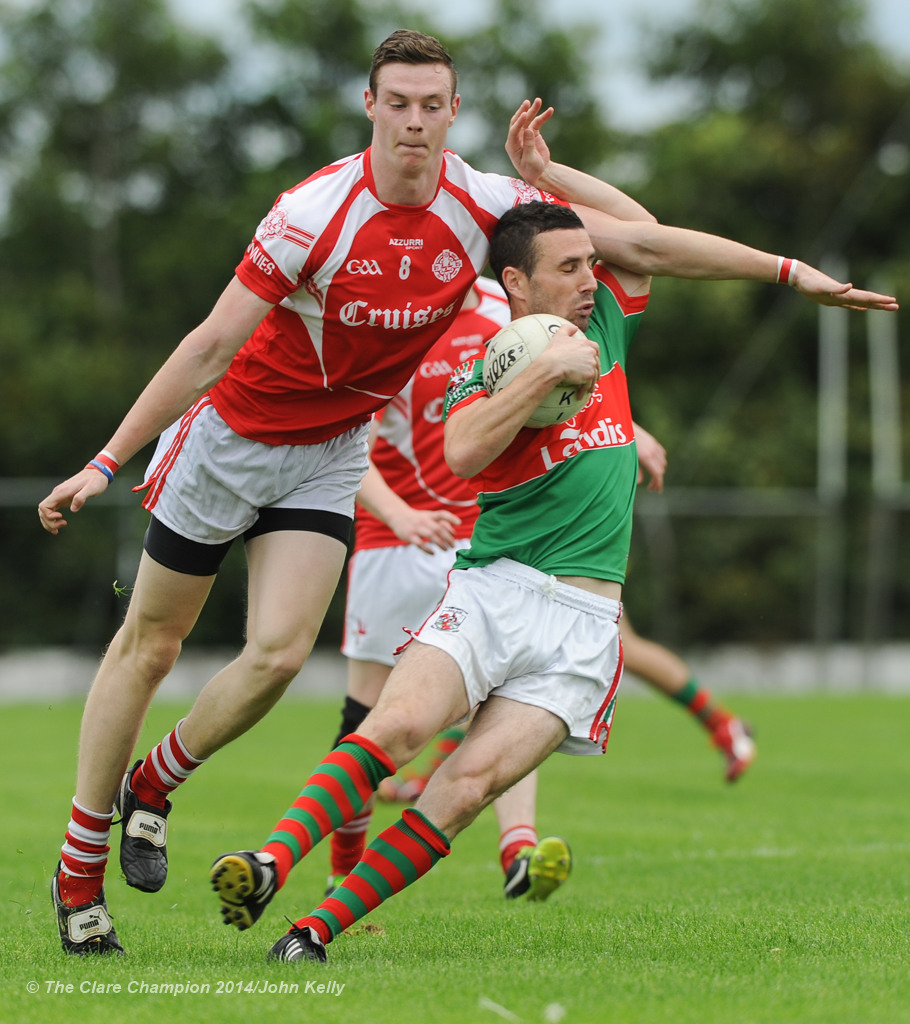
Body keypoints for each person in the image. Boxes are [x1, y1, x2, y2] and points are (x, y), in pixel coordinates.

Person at [40, 28, 814, 956]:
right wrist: (104, 460)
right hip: (233, 441)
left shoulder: (483, 204)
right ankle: (80, 870)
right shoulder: (310, 212)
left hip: (333, 451)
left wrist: (788, 271)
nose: (413, 121)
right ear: (371, 106)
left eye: (431, 104)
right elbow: (210, 345)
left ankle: (155, 786)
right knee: (153, 643)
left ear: (453, 112)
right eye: (396, 103)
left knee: (280, 658)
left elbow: (633, 243)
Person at [207, 107, 897, 962]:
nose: (590, 275)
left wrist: (556, 176)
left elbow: (642, 235)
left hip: (582, 626)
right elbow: (461, 451)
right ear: (517, 286)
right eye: (570, 267)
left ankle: (315, 931)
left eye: (589, 264)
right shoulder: (487, 361)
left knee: (464, 789)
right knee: (390, 732)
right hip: (493, 589)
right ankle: (269, 861)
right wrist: (540, 372)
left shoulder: (604, 324)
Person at [328, 276, 570, 902]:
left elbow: (563, 390)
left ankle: (518, 848)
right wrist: (401, 515)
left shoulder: (509, 314)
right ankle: (340, 872)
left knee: (507, 699)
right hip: (395, 542)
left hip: (482, 538)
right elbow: (348, 442)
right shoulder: (391, 324)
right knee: (365, 719)